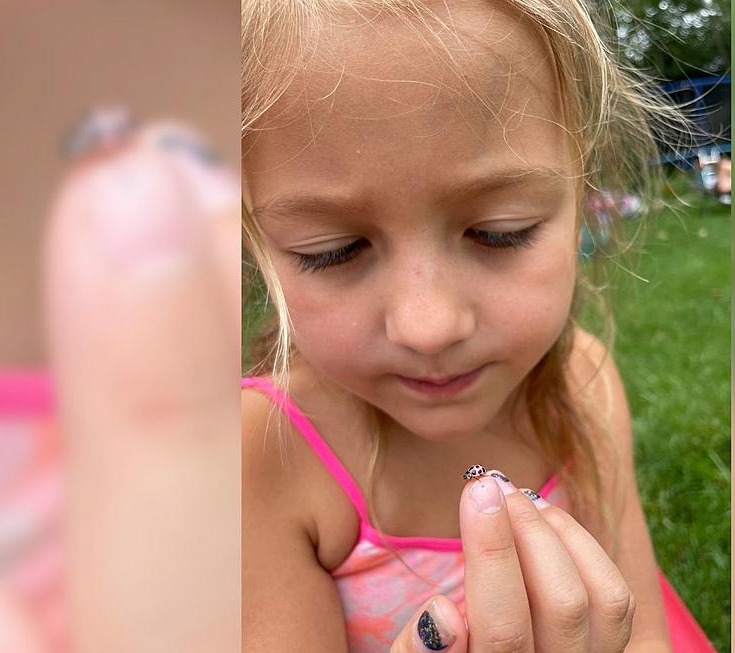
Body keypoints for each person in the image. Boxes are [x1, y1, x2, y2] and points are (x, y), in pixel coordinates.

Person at [240, 1, 709, 652]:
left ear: (583, 192)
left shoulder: (588, 385)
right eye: (331, 249)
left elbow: (648, 635)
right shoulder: (261, 454)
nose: (427, 326)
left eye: (501, 232)